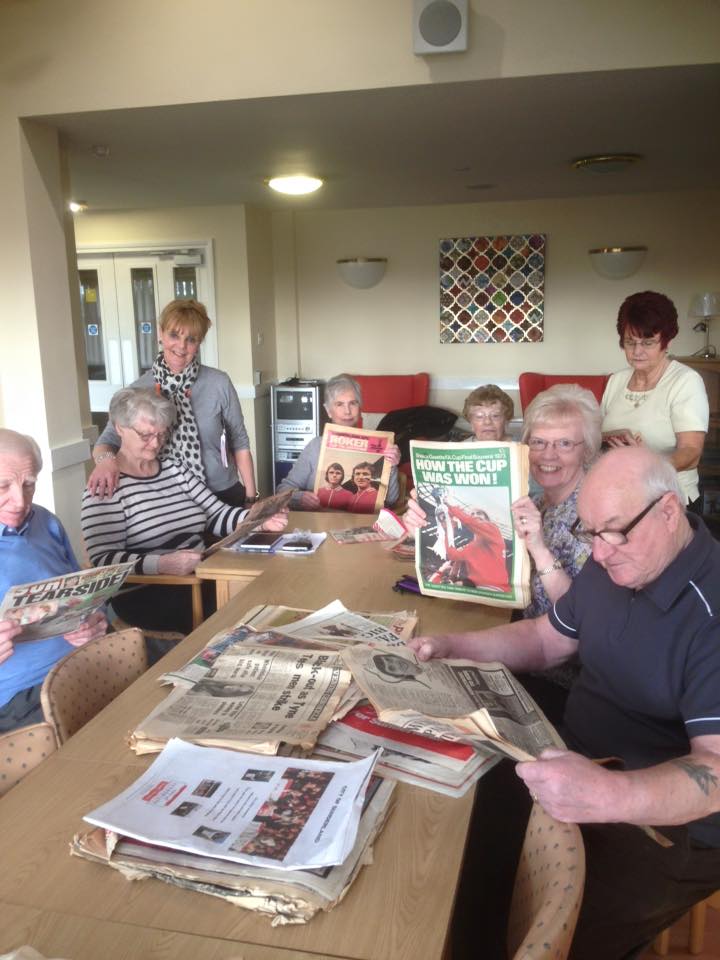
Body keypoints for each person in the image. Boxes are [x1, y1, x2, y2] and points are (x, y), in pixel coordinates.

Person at [410, 447, 720, 959]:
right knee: (454, 854)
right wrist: (454, 646)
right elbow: (547, 639)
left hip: (668, 822)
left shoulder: (710, 612)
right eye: (590, 533)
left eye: (614, 532)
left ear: (669, 511)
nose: (598, 553)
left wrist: (608, 795)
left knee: (543, 934)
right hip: (573, 756)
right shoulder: (614, 557)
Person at [81, 388, 287, 642]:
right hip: (151, 591)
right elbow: (104, 561)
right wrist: (162, 564)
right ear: (119, 428)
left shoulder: (173, 469)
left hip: (200, 576)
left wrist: (258, 520)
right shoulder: (105, 486)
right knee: (250, 614)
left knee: (268, 596)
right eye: (146, 435)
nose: (156, 444)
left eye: (161, 434)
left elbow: (217, 514)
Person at [88, 299, 257, 507]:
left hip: (221, 494)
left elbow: (240, 441)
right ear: (160, 333)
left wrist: (251, 497)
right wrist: (106, 461)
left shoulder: (218, 383)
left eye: (191, 339)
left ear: (199, 343)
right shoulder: (137, 390)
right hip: (166, 500)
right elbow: (106, 441)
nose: (182, 346)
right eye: (174, 335)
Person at [0, 429, 108, 732]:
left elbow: (82, 599)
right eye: (2, 487)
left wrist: (92, 622)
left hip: (84, 666)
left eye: (29, 485)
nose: (20, 502)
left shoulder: (45, 522)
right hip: (22, 699)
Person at [601, 290, 708, 509]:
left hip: (668, 498)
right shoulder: (616, 381)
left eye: (648, 342)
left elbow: (691, 453)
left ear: (666, 343)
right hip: (620, 493)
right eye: (630, 342)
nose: (637, 351)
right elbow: (598, 435)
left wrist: (647, 464)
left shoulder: (685, 381)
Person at [278, 374, 401, 510]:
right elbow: (283, 489)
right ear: (328, 411)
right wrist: (299, 497)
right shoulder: (315, 446)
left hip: (360, 526)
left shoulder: (379, 446)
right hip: (317, 524)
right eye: (339, 404)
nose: (347, 411)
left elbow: (391, 500)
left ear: (360, 408)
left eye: (353, 403)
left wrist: (393, 466)